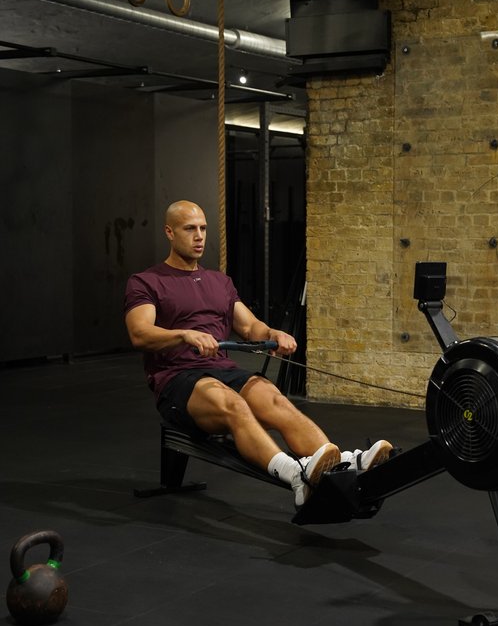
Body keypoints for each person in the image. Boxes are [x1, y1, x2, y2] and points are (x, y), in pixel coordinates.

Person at [124, 200, 392, 509]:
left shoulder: (219, 282)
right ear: (170, 232)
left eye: (203, 229)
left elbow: (250, 326)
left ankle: (342, 464)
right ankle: (296, 475)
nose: (198, 236)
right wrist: (183, 334)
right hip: (177, 379)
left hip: (221, 368)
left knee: (273, 398)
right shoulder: (147, 282)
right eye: (189, 229)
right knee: (233, 404)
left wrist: (273, 334)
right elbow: (139, 332)